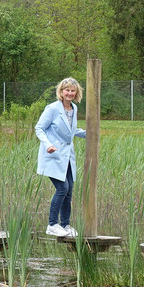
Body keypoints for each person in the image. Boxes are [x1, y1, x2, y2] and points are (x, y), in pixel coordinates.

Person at [35, 77, 87, 238]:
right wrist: (48, 144)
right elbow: (39, 128)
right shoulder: (52, 108)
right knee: (62, 188)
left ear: (76, 92)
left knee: (69, 190)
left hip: (68, 157)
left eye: (73, 90)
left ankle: (65, 225)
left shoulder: (74, 108)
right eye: (67, 90)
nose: (70, 93)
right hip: (53, 155)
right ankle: (52, 224)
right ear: (61, 91)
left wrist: (88, 133)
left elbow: (70, 130)